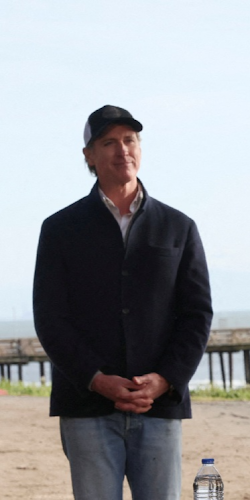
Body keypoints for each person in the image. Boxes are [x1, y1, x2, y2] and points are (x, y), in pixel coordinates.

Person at [33, 105, 213, 500]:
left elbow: (197, 314)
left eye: (130, 140)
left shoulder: (178, 226)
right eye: (109, 142)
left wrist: (165, 378)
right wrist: (97, 379)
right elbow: (50, 318)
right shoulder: (60, 229)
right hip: (86, 405)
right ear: (89, 155)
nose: (122, 150)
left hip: (159, 404)